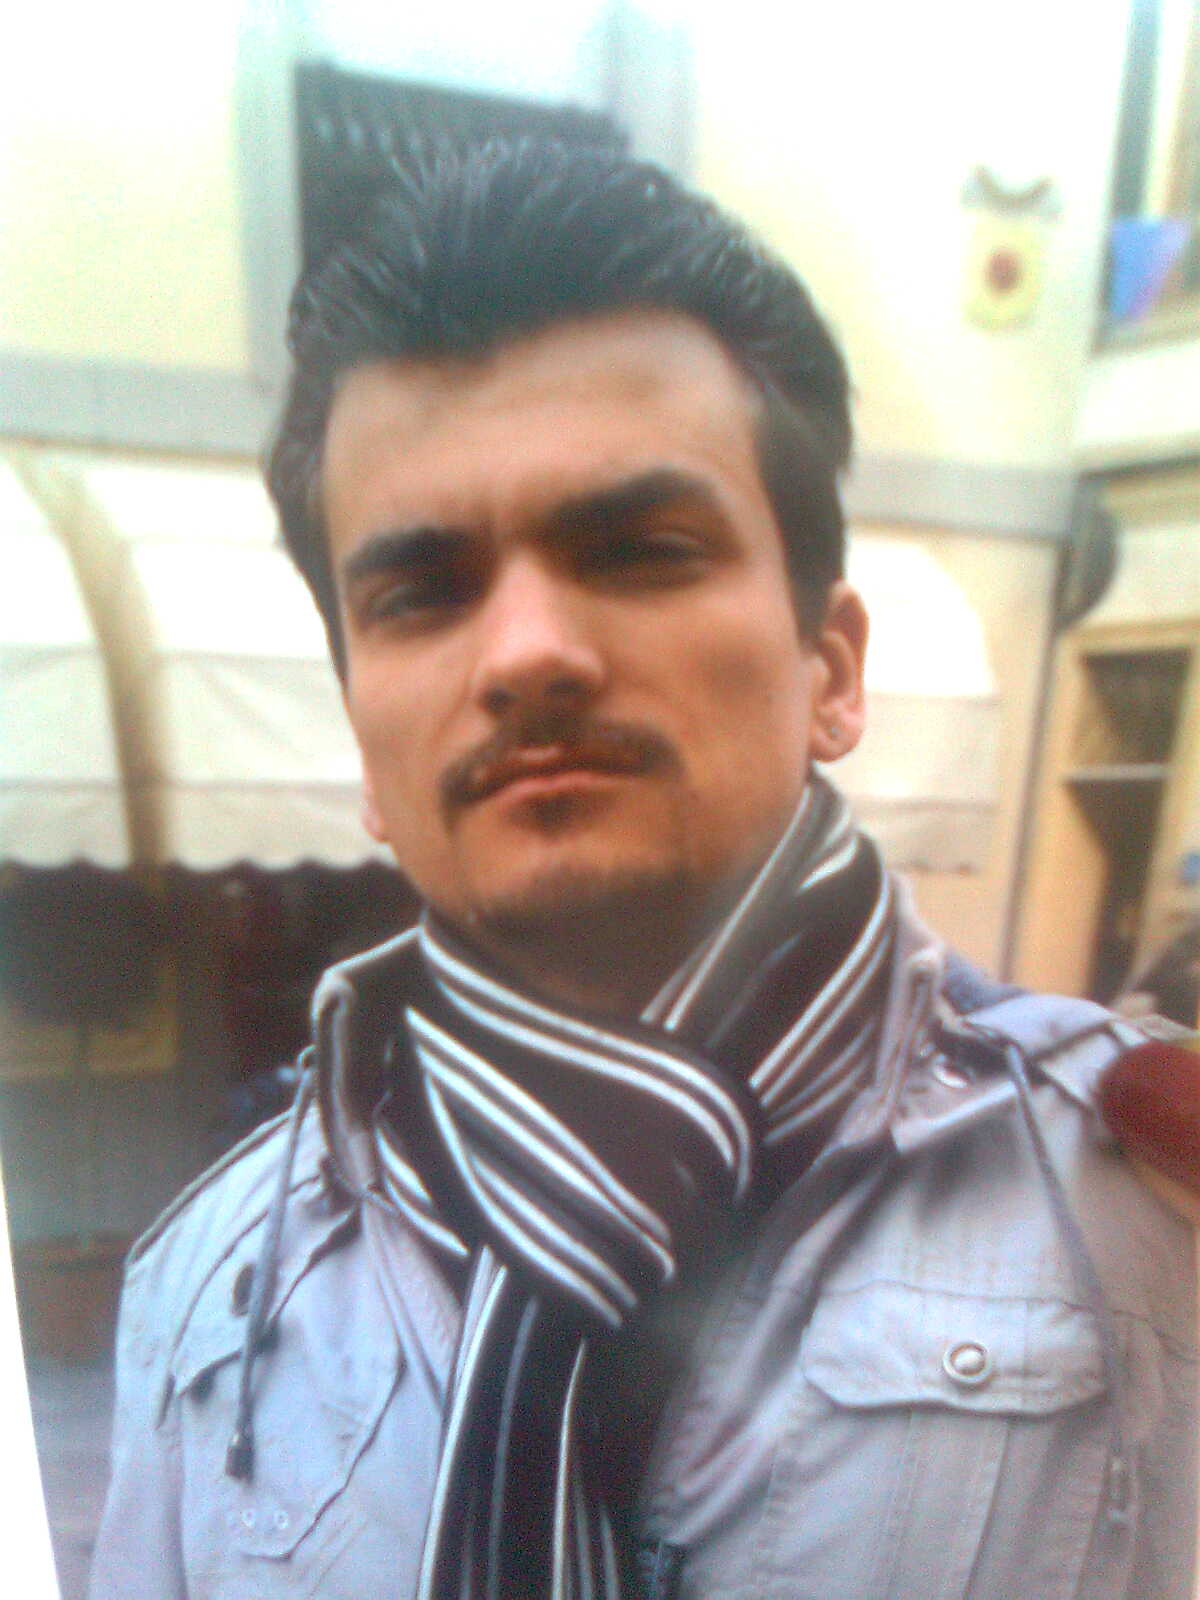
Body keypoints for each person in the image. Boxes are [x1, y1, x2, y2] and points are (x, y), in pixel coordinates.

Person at [88, 139, 1197, 1600]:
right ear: (361, 737)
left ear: (830, 669)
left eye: (639, 550)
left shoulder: (1146, 1210)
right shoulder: (207, 1289)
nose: (527, 652)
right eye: (423, 591)